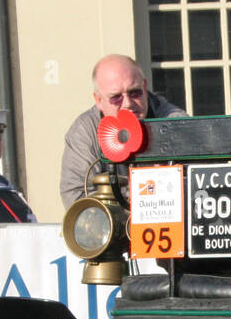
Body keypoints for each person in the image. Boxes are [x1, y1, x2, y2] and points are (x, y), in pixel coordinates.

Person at [59, 54, 186, 206]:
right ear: (98, 100)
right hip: (110, 225)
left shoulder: (174, 122)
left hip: (168, 221)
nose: (127, 103)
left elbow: (195, 182)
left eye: (135, 93)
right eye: (116, 97)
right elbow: (77, 194)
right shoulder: (85, 132)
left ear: (145, 88)